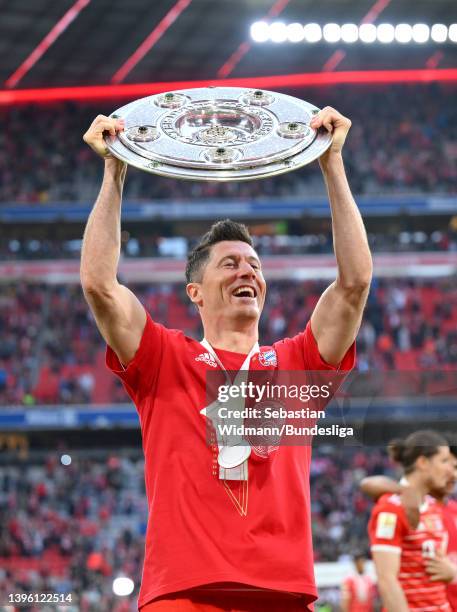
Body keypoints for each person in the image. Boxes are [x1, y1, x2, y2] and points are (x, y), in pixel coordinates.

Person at [80, 105, 372, 611]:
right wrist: (115, 169)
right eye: (230, 263)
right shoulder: (163, 358)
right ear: (195, 290)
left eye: (255, 264)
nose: (247, 271)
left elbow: (354, 285)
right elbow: (100, 287)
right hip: (183, 593)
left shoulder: (297, 364)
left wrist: (332, 163)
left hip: (282, 593)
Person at [361, 439, 457, 610]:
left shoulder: (441, 509)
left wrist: (454, 574)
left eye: (454, 467)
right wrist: (404, 490)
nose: (451, 473)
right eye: (445, 463)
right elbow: (368, 484)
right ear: (424, 464)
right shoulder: (399, 507)